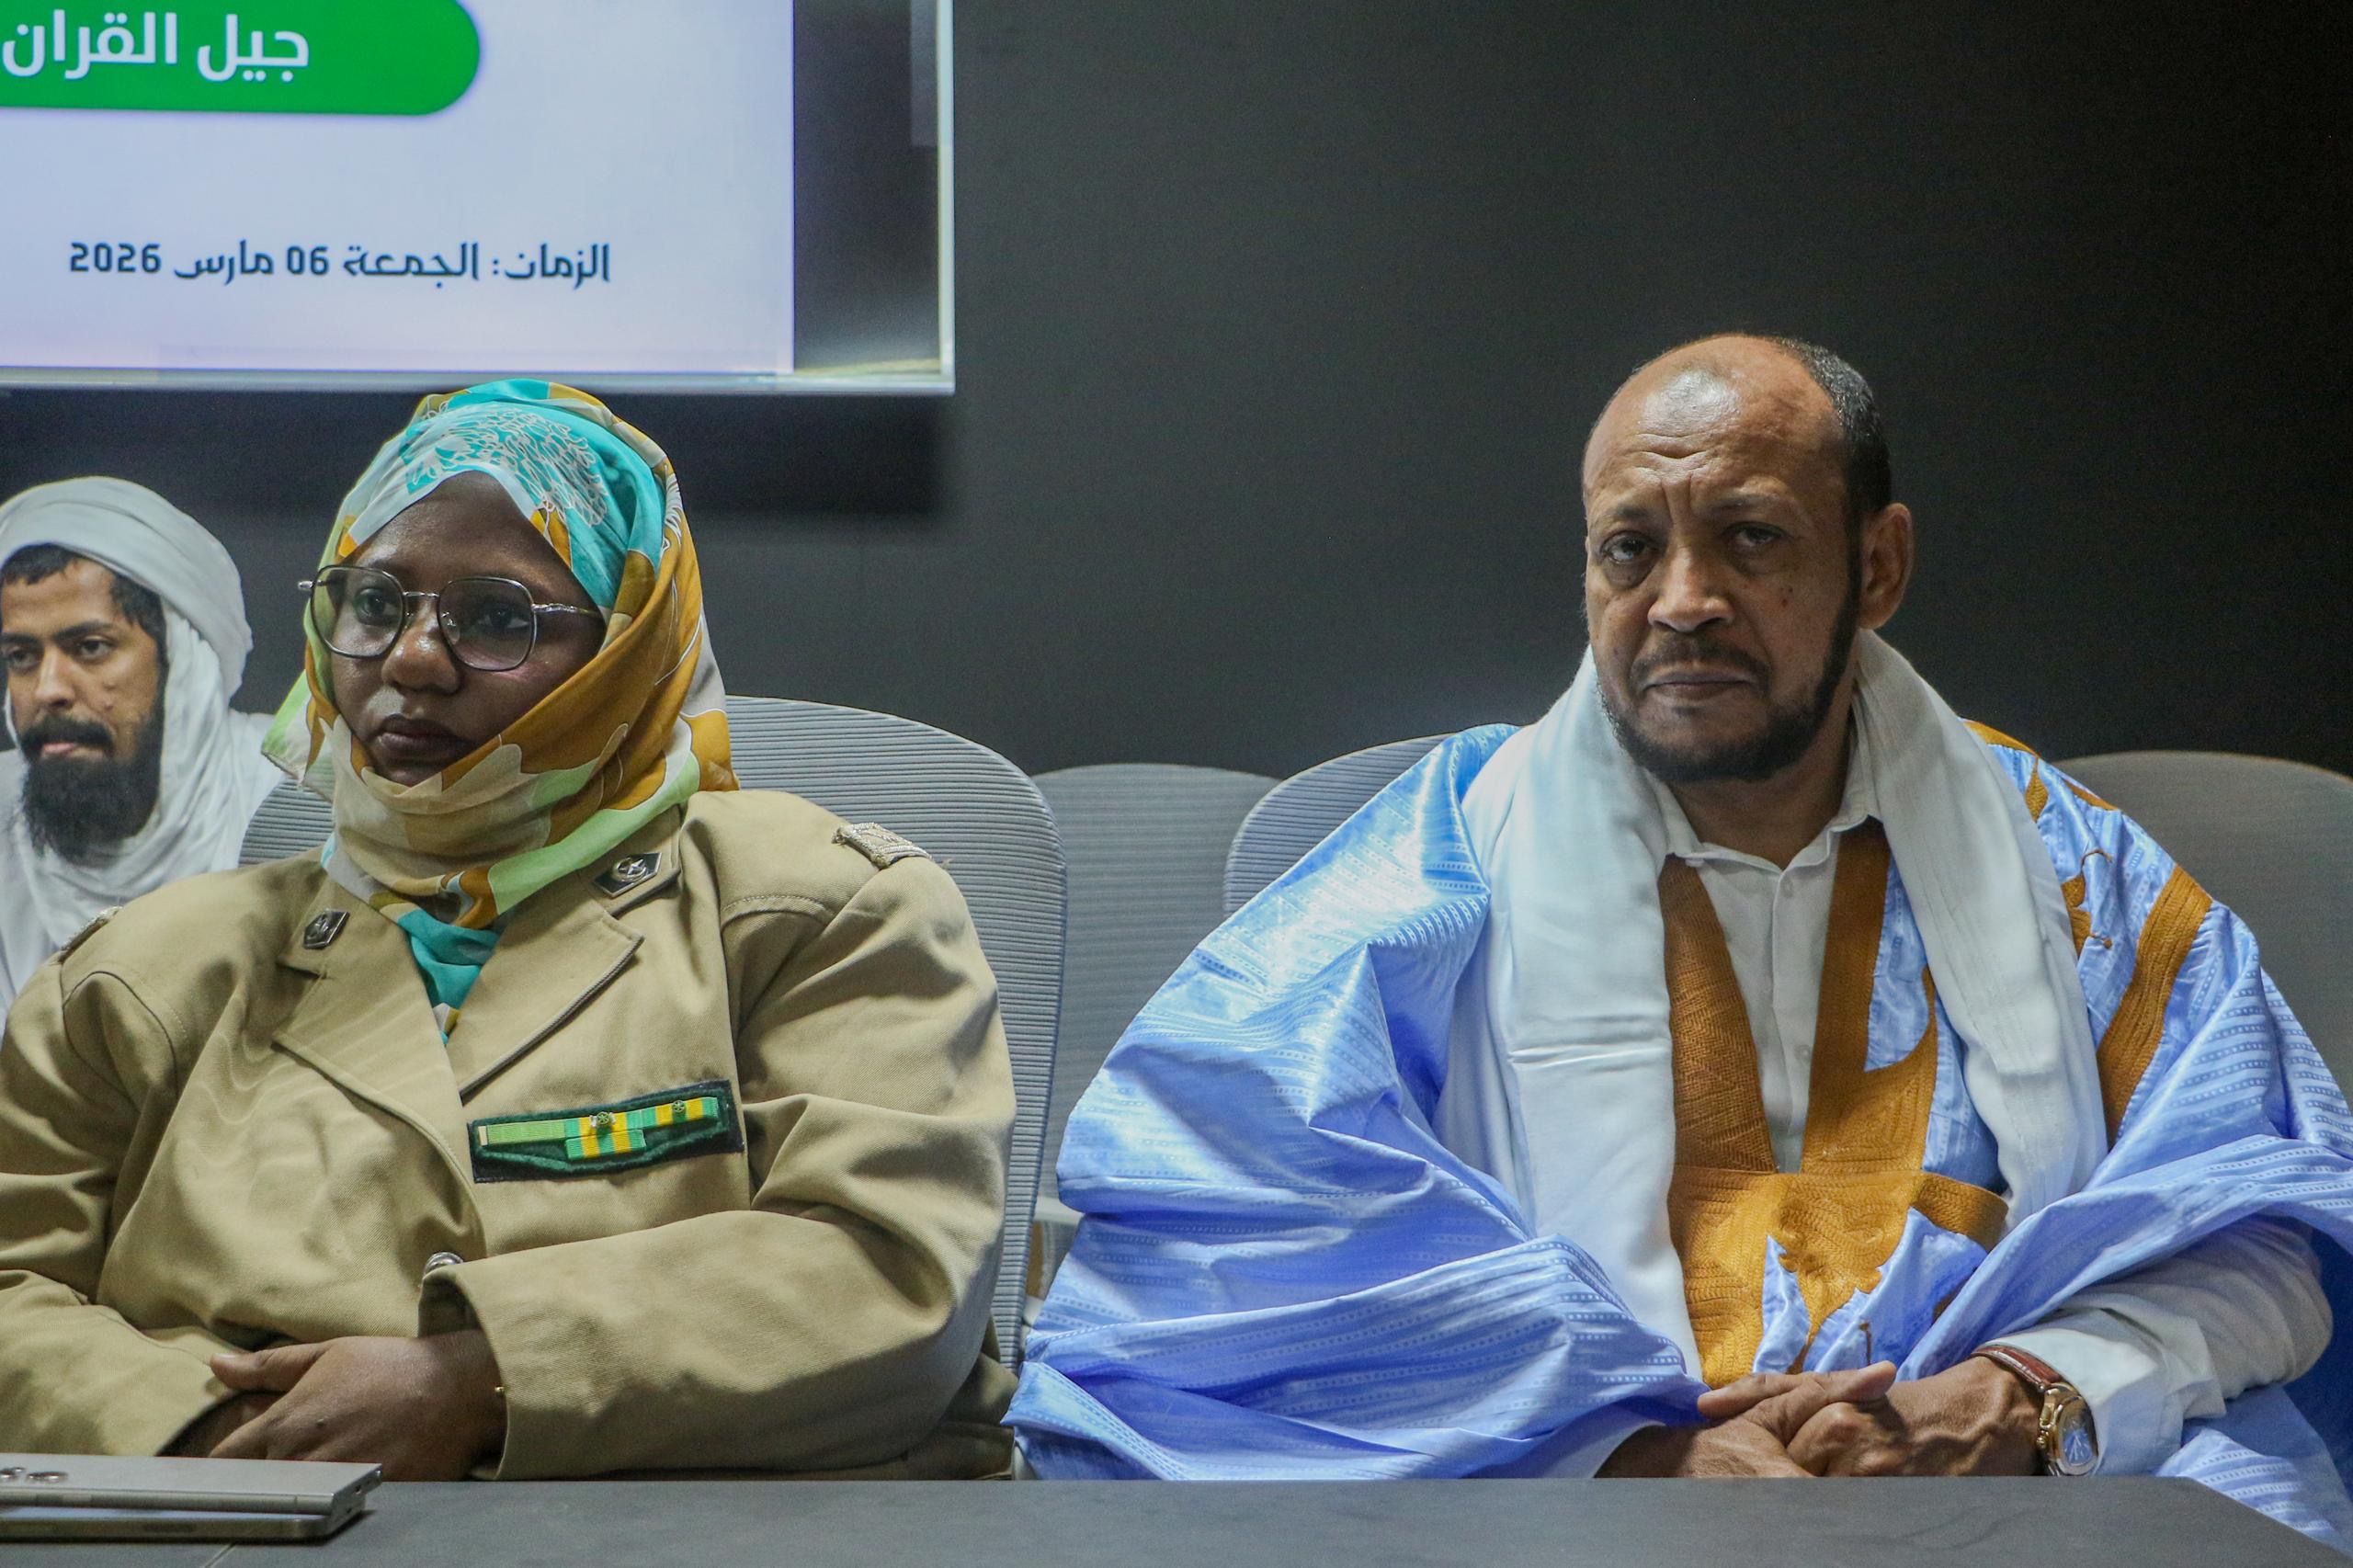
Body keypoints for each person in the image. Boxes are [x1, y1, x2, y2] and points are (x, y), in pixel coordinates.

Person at [1010, 336, 2353, 1546]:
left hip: (2007, 1496)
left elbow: (2268, 1235)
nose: (1682, 599)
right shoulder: (1428, 869)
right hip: (1546, 1507)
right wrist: (1622, 1452)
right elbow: (1219, 1267)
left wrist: (2017, 1399)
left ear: (1877, 566)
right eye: (1629, 548)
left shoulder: (2077, 873)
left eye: (1750, 538)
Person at [0, 381, 1017, 1480]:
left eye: (496, 617)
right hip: (238, 1526)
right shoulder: (138, 974)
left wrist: (478, 1381)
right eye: (373, 601)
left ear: (627, 645)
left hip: (716, 1526)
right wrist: (220, 1438)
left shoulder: (809, 911)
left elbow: (886, 1271)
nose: (411, 659)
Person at [0, 479, 281, 1013]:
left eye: (90, 648)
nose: (47, 690)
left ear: (182, 662)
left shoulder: (299, 797)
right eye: (21, 657)